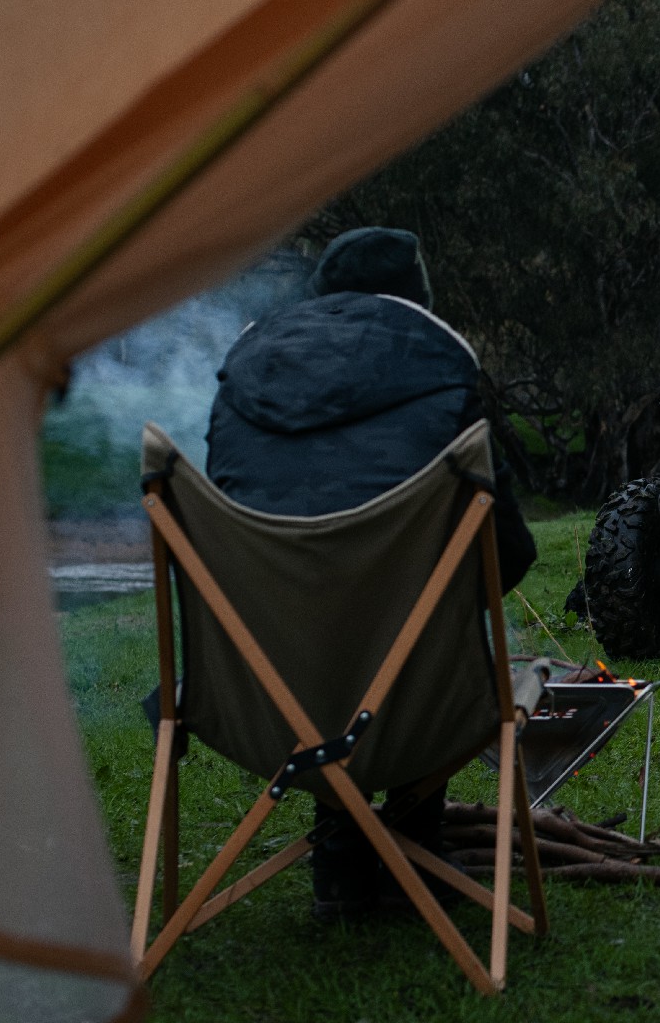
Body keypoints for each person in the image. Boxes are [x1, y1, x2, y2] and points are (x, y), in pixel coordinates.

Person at [205, 225, 539, 917]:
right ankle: (408, 839)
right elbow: (509, 553)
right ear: (416, 303)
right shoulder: (444, 379)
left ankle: (345, 849)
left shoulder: (239, 384)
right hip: (410, 705)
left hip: (250, 701)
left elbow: (226, 553)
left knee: (347, 640)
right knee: (417, 640)